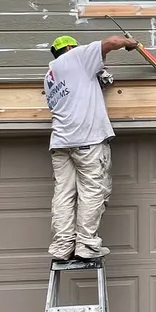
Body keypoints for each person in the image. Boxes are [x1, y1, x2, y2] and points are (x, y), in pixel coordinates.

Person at [44, 33, 137, 262]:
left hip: (61, 143)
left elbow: (80, 92)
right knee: (93, 191)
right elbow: (111, 42)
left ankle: (62, 246)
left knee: (64, 194)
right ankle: (85, 244)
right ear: (69, 49)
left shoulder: (50, 76)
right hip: (86, 139)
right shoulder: (76, 57)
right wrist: (129, 43)